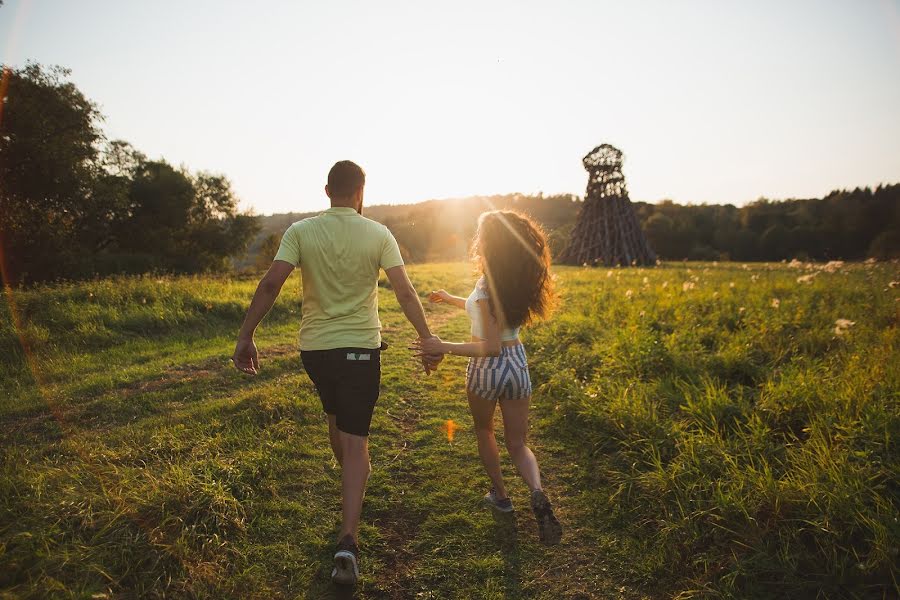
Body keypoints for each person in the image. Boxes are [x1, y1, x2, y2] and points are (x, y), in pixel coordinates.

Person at [232, 160, 440, 585]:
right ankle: (348, 539)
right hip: (360, 350)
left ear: (328, 190)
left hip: (316, 352)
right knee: (356, 438)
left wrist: (245, 336)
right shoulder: (379, 233)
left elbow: (271, 284)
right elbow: (404, 290)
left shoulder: (301, 232)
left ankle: (352, 475)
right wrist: (427, 338)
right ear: (361, 192)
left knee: (337, 420)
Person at [414, 210, 563, 545]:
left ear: (489, 244)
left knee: (485, 430)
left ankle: (501, 496)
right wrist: (448, 297)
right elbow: (484, 315)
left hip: (489, 368)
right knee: (518, 443)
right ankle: (537, 491)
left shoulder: (486, 286)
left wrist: (443, 345)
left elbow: (490, 346)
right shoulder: (513, 282)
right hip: (518, 364)